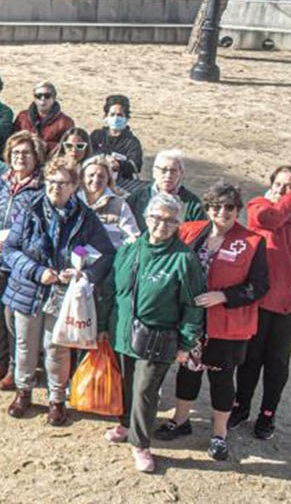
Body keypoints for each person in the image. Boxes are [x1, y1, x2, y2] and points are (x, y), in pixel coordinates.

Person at [158, 183, 269, 460]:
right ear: (207, 209)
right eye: (216, 207)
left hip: (227, 326)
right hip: (193, 322)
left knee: (221, 379)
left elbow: (260, 286)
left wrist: (223, 296)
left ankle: (219, 434)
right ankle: (181, 421)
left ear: (238, 210)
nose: (223, 212)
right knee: (188, 371)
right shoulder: (191, 232)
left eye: (230, 207)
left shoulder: (253, 241)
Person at [2, 160, 115, 425]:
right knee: (25, 344)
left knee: (56, 347)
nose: (55, 188)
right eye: (51, 182)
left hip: (64, 294)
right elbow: (10, 249)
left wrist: (83, 273)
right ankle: (24, 391)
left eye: (63, 183)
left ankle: (56, 399)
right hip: (28, 288)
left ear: (75, 186)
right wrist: (35, 270)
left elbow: (106, 254)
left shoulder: (86, 217)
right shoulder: (30, 209)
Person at [106, 192, 205, 474]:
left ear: (179, 224)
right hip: (123, 330)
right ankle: (126, 424)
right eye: (156, 218)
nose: (162, 224)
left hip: (158, 337)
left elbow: (193, 305)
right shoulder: (130, 249)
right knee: (126, 383)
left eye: (170, 220)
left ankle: (141, 444)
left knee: (145, 390)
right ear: (146, 218)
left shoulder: (184, 259)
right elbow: (113, 288)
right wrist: (104, 326)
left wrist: (187, 343)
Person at [0, 131, 47, 387]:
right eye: (16, 153)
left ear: (36, 156)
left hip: (22, 265)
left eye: (26, 153)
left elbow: (42, 229)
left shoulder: (42, 188)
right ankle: (0, 362)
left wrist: (15, 244)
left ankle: (18, 370)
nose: (20, 157)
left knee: (17, 321)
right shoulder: (2, 181)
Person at [233, 164, 291, 440]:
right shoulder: (259, 206)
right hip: (257, 301)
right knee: (250, 359)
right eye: (280, 185)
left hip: (289, 305)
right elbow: (270, 219)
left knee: (277, 363)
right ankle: (241, 406)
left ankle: (267, 414)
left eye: (290, 186)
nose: (283, 191)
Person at [126, 149, 205, 234]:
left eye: (173, 171)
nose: (168, 175)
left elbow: (199, 234)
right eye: (163, 170)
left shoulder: (192, 204)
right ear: (154, 172)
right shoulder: (136, 198)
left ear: (181, 173)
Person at [81, 155, 141, 247]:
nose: (96, 179)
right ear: (82, 178)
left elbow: (133, 237)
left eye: (101, 176)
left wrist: (114, 250)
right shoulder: (74, 202)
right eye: (91, 175)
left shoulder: (119, 205)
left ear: (108, 180)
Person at [90, 94, 145, 185]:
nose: (116, 118)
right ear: (105, 117)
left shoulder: (132, 142)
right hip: (95, 180)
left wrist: (119, 164)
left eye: (120, 115)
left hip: (121, 183)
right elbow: (87, 155)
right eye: (112, 114)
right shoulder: (96, 136)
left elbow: (136, 166)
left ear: (126, 118)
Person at [15, 81, 73, 157]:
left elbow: (68, 148)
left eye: (47, 96)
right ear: (34, 98)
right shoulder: (23, 116)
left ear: (54, 98)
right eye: (38, 96)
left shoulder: (65, 122)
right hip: (24, 158)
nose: (42, 99)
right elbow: (13, 139)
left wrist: (44, 145)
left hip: (51, 161)